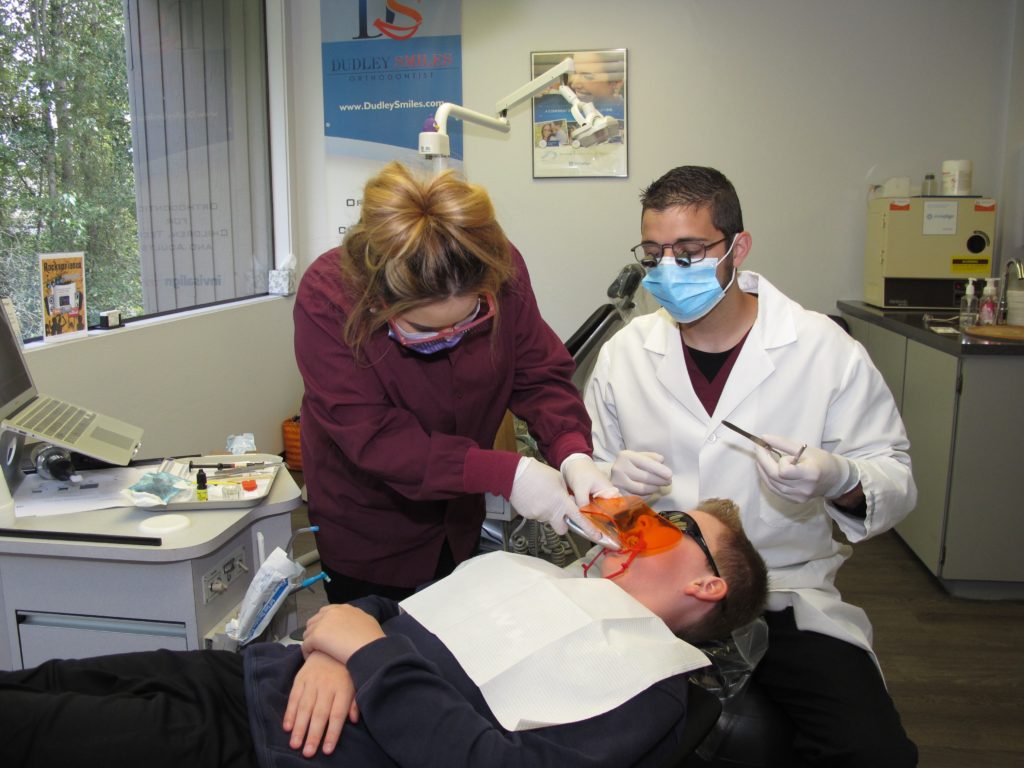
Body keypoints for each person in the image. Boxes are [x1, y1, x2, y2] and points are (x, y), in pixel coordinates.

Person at [0, 500, 769, 768]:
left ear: (707, 583)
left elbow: (485, 764)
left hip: (289, 748)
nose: (646, 520)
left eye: (673, 524)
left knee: (33, 732)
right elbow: (388, 612)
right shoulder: (542, 573)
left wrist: (358, 653)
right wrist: (339, 642)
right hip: (261, 677)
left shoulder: (652, 688)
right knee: (49, 679)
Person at [584, 165, 919, 766]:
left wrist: (838, 478)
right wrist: (611, 482)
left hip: (784, 590)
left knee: (871, 751)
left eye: (688, 252)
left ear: (737, 247)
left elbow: (893, 476)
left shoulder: (823, 349)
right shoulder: (625, 355)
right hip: (658, 592)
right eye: (653, 253)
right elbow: (594, 489)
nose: (666, 270)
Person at [293, 162, 615, 604]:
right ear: (378, 300)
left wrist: (572, 451)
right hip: (369, 527)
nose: (448, 340)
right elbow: (374, 436)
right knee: (376, 657)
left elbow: (537, 372)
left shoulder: (495, 266)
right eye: (423, 331)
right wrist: (506, 471)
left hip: (456, 518)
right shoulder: (328, 296)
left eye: (467, 322)